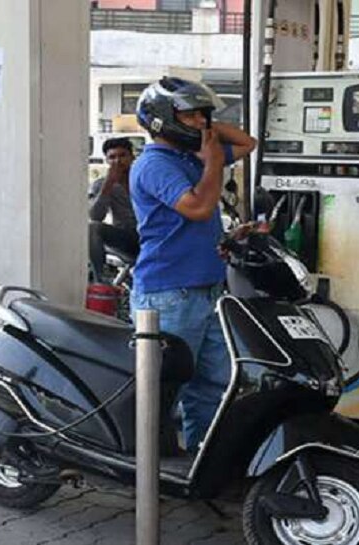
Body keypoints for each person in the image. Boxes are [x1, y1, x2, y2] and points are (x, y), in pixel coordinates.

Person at [130, 77, 256, 454]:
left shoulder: (189, 157)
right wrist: (214, 159)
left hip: (207, 290)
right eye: (189, 116)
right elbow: (199, 208)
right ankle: (148, 468)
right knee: (164, 390)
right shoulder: (154, 165)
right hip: (170, 294)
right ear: (161, 120)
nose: (201, 122)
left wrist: (204, 128)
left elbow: (248, 142)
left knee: (214, 383)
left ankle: (201, 458)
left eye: (204, 115)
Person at [88, 138, 139, 282]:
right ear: (107, 160)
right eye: (112, 157)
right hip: (127, 237)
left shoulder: (143, 179)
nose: (118, 161)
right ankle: (100, 280)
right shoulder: (101, 184)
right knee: (93, 228)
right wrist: (108, 185)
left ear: (132, 157)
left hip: (153, 235)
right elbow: (95, 216)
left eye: (122, 155)